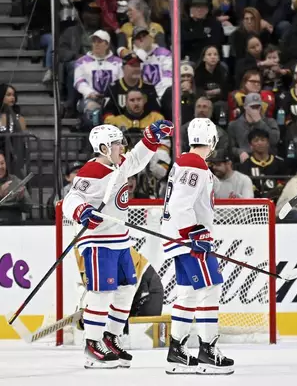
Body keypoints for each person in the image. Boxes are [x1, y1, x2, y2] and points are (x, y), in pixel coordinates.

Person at [62, 120, 174, 369]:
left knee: (127, 288)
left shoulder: (119, 164)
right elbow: (72, 198)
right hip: (98, 242)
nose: (121, 147)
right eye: (116, 144)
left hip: (120, 240)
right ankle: (92, 344)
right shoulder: (91, 173)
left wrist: (150, 140)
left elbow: (136, 160)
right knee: (101, 294)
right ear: (103, 148)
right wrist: (81, 211)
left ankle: (111, 337)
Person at [160, 118, 234, 375]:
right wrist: (194, 232)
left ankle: (177, 351)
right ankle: (207, 350)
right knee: (210, 287)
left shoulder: (187, 161)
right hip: (190, 238)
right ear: (212, 140)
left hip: (184, 237)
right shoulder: (193, 163)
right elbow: (180, 204)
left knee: (188, 292)